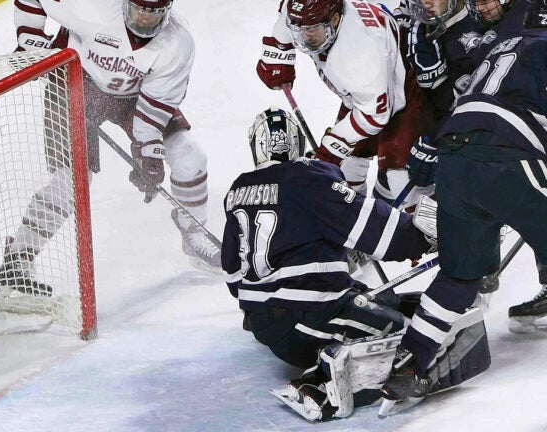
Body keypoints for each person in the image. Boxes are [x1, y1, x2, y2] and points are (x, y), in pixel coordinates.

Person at [221, 107, 445, 420]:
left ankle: (324, 356)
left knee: (387, 299)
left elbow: (233, 274)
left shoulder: (237, 191)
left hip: (266, 322)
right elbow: (375, 230)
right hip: (307, 317)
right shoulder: (308, 178)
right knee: (396, 328)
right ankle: (319, 384)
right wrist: (424, 236)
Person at [381, 0, 547, 413]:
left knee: (459, 275)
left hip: (453, 155)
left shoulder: (505, 44)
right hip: (505, 152)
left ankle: (409, 363)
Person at [0, 0, 220, 293]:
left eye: (152, 13)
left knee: (189, 156)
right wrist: (30, 38)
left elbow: (155, 105)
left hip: (132, 96)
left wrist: (149, 153)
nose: (142, 18)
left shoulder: (177, 43)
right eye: (138, 9)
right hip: (73, 82)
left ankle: (194, 233)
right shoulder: (92, 7)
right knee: (71, 182)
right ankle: (18, 258)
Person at [404, 0, 547, 332]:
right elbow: (441, 95)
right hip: (477, 130)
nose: (481, 7)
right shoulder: (451, 31)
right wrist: (432, 135)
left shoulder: (528, 13)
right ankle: (471, 284)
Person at [255, 0, 434, 207]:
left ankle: (425, 232)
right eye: (299, 28)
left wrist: (328, 151)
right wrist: (279, 51)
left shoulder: (357, 52)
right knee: (344, 169)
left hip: (406, 92)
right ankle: (350, 218)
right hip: (366, 94)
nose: (304, 36)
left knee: (401, 179)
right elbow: (287, 15)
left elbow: (374, 115)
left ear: (335, 19)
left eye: (312, 29)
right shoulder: (308, 12)